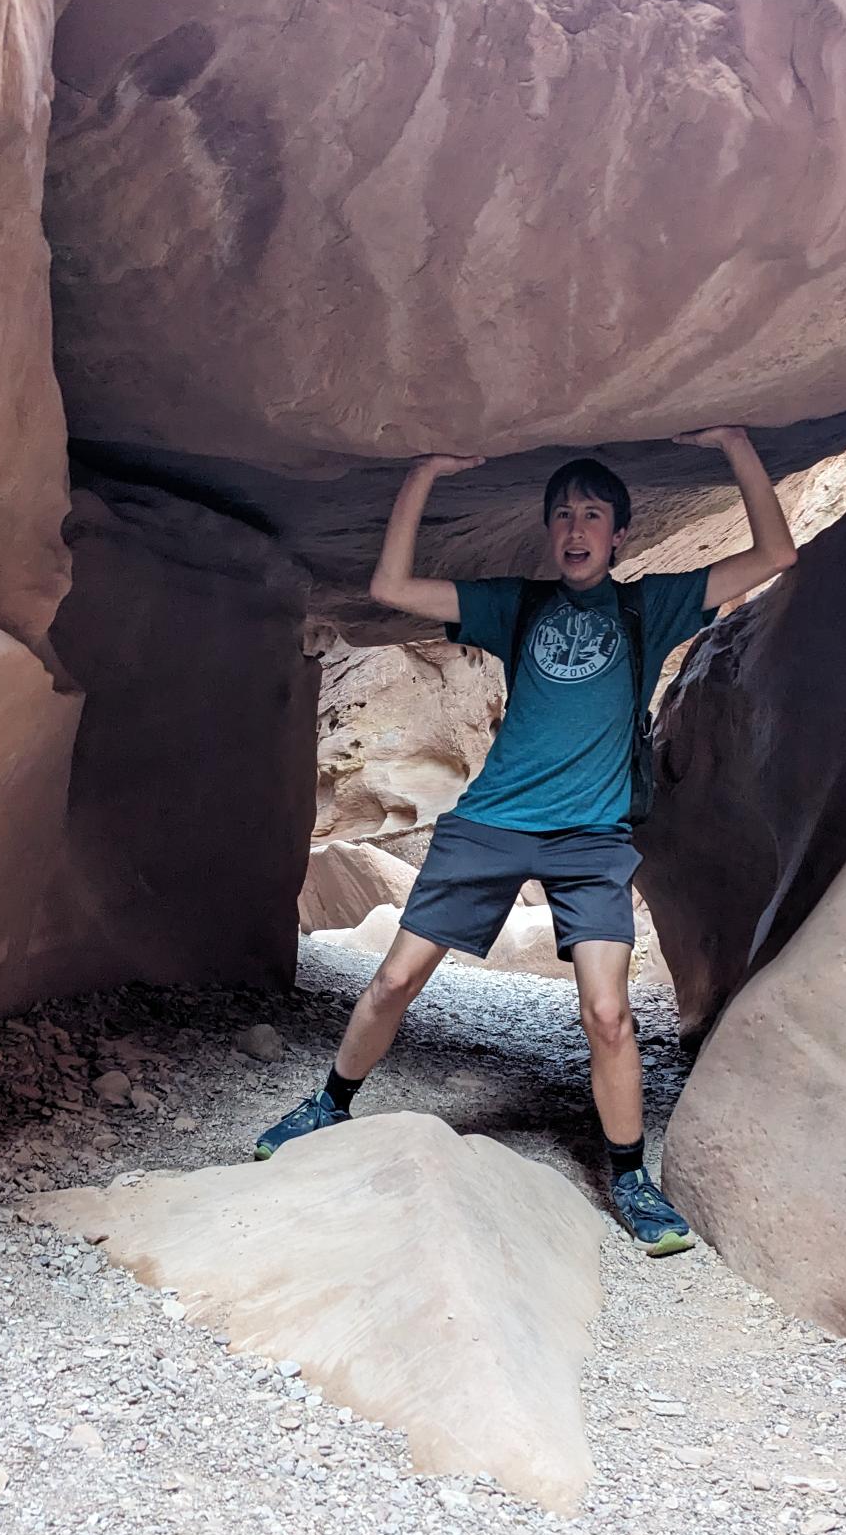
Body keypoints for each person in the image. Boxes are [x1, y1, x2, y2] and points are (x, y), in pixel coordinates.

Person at [253, 427, 798, 1254]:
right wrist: (424, 473)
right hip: (492, 823)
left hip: (592, 839)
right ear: (549, 532)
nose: (575, 529)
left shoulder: (649, 605)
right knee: (393, 980)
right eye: (563, 515)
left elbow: (775, 552)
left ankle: (630, 1179)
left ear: (619, 535)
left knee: (608, 1014)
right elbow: (391, 584)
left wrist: (732, 444)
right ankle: (328, 1103)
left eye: (592, 515)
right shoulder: (518, 604)